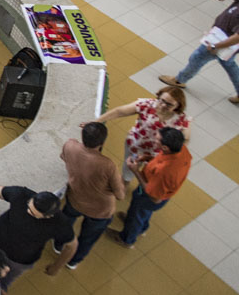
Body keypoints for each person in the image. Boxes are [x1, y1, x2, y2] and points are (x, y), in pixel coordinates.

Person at [0, 185, 77, 290]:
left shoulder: (60, 224)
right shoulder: (21, 195)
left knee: (2, 282)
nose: (28, 211)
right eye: (29, 206)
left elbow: (71, 246)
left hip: (17, 261)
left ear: (49, 216)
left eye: (33, 213)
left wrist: (56, 267)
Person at [107, 127, 192, 248]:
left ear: (165, 148)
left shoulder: (166, 171)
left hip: (148, 196)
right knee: (141, 213)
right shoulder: (181, 150)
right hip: (154, 186)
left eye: (157, 140)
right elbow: (162, 160)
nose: (154, 140)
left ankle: (126, 239)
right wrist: (149, 159)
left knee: (138, 212)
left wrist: (135, 171)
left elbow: (154, 198)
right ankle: (140, 227)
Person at [58, 123, 126, 268]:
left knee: (65, 224)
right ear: (102, 143)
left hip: (74, 200)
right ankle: (73, 261)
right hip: (100, 211)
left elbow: (63, 157)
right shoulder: (108, 165)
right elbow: (120, 195)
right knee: (87, 238)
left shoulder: (70, 145)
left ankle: (58, 245)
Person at [92, 86, 191, 182]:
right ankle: (125, 181)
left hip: (158, 153)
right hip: (136, 146)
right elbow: (119, 111)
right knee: (129, 168)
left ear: (178, 105)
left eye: (169, 104)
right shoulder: (146, 104)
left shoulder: (181, 119)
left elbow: (185, 139)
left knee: (150, 173)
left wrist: (173, 156)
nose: (164, 105)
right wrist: (98, 121)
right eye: (162, 100)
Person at [159, 0, 239, 102]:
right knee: (230, 65)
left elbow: (237, 38)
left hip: (221, 44)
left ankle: (180, 80)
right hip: (219, 40)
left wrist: (215, 46)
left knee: (197, 57)